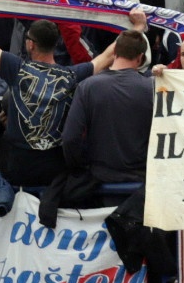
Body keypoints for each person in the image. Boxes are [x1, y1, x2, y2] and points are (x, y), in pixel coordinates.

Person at [61, 30, 154, 184]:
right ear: (141, 58)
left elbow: (70, 137)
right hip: (141, 180)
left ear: (115, 52)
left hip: (99, 178)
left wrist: (78, 169)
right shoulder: (152, 88)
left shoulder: (88, 87)